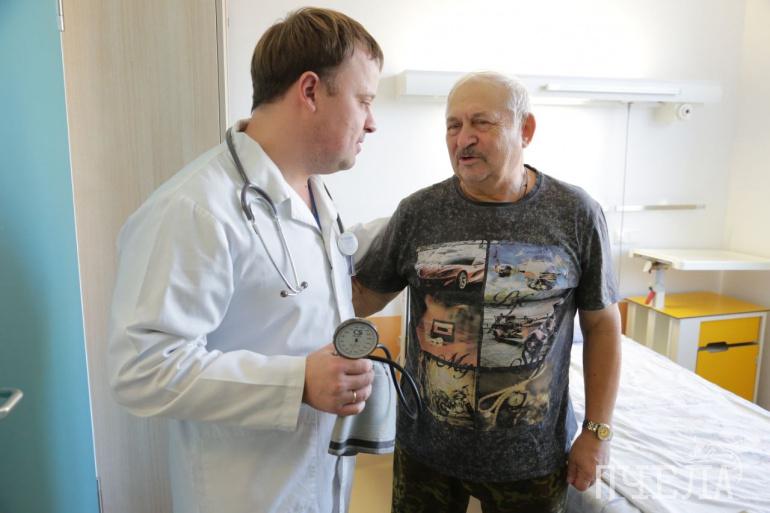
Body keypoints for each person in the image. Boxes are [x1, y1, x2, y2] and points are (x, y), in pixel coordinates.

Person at [108, 8, 383, 513]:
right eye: (364, 100)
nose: (372, 121)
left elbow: (301, 284)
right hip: (243, 495)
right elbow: (142, 369)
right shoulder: (194, 208)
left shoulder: (310, 193)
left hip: (318, 482)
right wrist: (297, 382)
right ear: (310, 91)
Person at [352, 72, 622, 513]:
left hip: (530, 458)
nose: (463, 139)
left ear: (525, 129)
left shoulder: (576, 214)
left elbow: (603, 326)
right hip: (427, 453)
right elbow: (363, 297)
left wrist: (597, 432)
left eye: (481, 122)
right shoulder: (418, 213)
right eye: (453, 125)